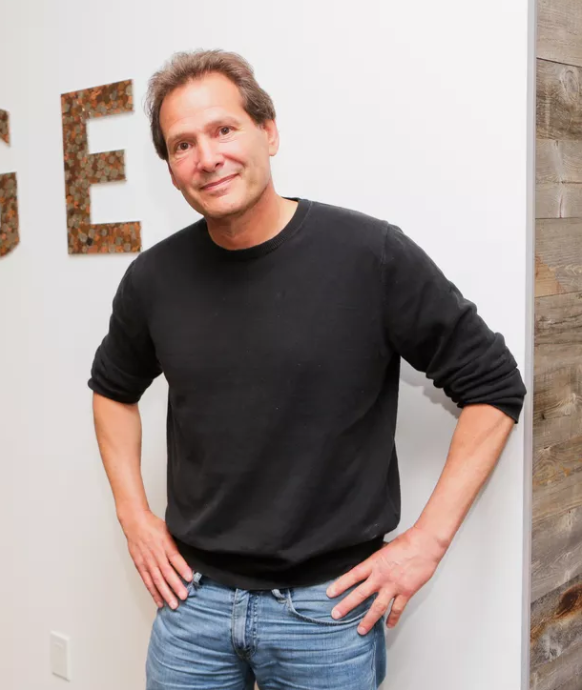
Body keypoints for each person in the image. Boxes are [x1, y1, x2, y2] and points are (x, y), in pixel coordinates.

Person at [87, 49, 526, 690]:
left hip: (327, 612)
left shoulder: (370, 256)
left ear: (268, 131)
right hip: (192, 606)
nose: (207, 157)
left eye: (223, 129)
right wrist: (134, 517)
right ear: (172, 170)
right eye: (183, 144)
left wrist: (427, 542)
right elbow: (111, 391)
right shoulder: (153, 279)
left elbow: (494, 386)